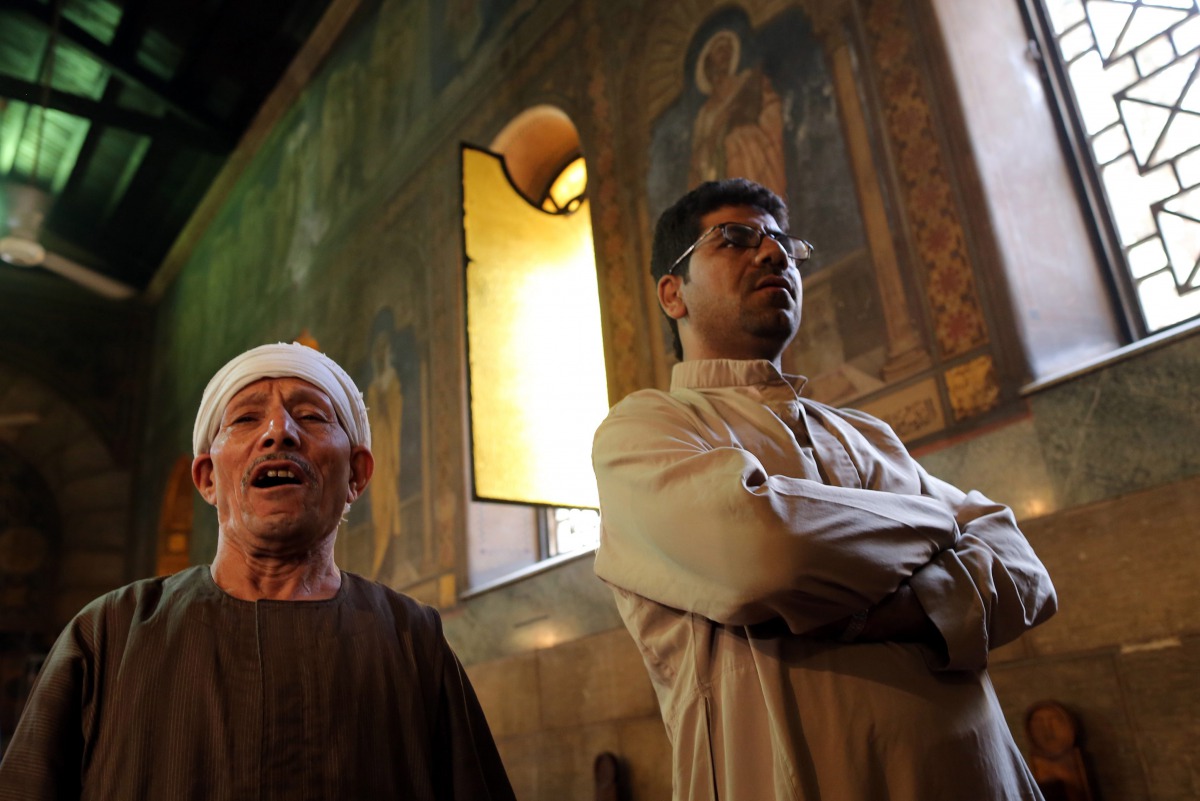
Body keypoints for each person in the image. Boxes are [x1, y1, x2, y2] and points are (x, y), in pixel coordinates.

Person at [592, 179, 1057, 800]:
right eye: (734, 238)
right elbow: (764, 553)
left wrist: (907, 605)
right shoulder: (644, 428)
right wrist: (942, 530)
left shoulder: (868, 434)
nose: (775, 254)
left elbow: (1026, 573)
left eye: (784, 242)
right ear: (672, 293)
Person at [0, 342, 515, 801]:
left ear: (357, 473)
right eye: (246, 419)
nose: (279, 433)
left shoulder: (412, 639)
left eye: (311, 417)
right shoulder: (110, 632)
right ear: (206, 478)